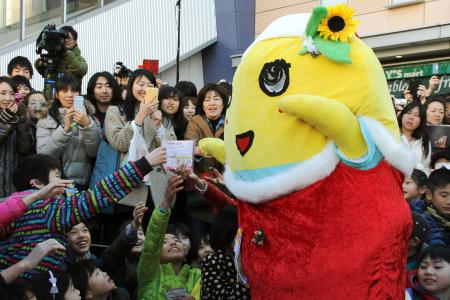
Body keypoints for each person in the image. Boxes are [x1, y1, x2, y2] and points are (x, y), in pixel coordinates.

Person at [0, 148, 166, 279]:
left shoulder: (7, 206)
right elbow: (98, 196)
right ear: (37, 183)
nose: (63, 182)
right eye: (57, 176)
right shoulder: (46, 207)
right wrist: (145, 164)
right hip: (34, 287)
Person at [105, 69, 175, 214]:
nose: (145, 89)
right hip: (129, 186)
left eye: (150, 85)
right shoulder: (116, 111)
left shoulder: (161, 114)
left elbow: (171, 150)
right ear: (131, 86)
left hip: (158, 186)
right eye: (140, 84)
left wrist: (159, 125)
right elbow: (119, 143)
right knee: (129, 231)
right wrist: (141, 115)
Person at [136, 176, 201, 300]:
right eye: (165, 242)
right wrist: (165, 202)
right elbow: (153, 241)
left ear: (186, 251)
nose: (173, 243)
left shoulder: (197, 276)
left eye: (177, 240)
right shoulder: (149, 273)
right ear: (156, 254)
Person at [36, 75, 100, 189]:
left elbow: (94, 153)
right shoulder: (46, 119)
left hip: (83, 184)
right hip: (54, 185)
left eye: (74, 91)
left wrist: (87, 125)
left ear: (80, 94)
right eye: (65, 91)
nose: (70, 95)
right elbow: (44, 157)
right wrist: (65, 129)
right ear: (56, 95)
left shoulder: (91, 119)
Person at [201, 206, 251, 299]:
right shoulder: (212, 261)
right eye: (241, 234)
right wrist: (241, 273)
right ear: (227, 234)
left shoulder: (253, 257)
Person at [0, 76, 28, 198]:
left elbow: (25, 148)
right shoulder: (9, 118)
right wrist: (5, 119)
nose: (7, 98)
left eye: (12, 94)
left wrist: (20, 120)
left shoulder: (18, 117)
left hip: (13, 183)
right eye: (2, 93)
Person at [415, 168, 450, 246]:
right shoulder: (421, 218)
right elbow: (438, 249)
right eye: (444, 195)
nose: (449, 201)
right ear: (429, 195)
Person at [398, 102, 432, 174]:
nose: (411, 117)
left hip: (414, 180)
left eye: (417, 115)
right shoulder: (391, 134)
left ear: (421, 121)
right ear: (402, 115)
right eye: (408, 113)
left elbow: (425, 166)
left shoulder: (424, 139)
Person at [15, 91, 49, 157]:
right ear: (26, 107)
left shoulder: (54, 124)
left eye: (42, 103)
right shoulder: (21, 126)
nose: (38, 106)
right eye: (33, 103)